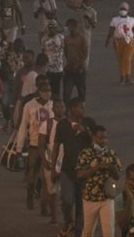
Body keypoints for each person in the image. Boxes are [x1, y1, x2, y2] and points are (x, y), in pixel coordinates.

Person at [52, 98, 96, 237]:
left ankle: (78, 230)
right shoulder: (62, 125)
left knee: (81, 205)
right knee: (67, 200)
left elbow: (97, 142)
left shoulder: (89, 123)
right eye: (81, 108)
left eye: (84, 107)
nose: (83, 110)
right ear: (72, 109)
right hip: (67, 169)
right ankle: (68, 221)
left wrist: (85, 131)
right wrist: (54, 168)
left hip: (85, 171)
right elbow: (56, 145)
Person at [75, 125, 122, 237]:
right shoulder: (86, 153)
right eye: (100, 138)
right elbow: (79, 174)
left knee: (109, 232)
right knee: (88, 231)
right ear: (94, 137)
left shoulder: (111, 154)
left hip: (107, 197)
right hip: (90, 198)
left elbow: (117, 176)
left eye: (105, 138)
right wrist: (96, 167)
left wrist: (111, 167)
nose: (103, 141)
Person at [16, 83, 53, 211]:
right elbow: (23, 126)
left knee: (46, 178)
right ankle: (30, 195)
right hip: (34, 145)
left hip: (48, 146)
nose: (47, 93)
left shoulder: (52, 106)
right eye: (44, 90)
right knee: (32, 175)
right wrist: (19, 148)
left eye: (49, 90)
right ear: (39, 91)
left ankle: (44, 205)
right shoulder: (30, 106)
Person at [38, 98, 66, 226]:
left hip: (66, 162)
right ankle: (54, 216)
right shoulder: (47, 124)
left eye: (62, 107)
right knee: (52, 191)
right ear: (53, 109)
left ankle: (65, 217)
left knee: (65, 191)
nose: (60, 109)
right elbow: (41, 144)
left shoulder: (69, 124)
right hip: (51, 160)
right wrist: (44, 160)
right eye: (58, 107)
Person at [105, 2, 134, 85]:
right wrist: (107, 40)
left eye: (124, 9)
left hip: (130, 41)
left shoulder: (131, 20)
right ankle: (122, 77)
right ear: (119, 10)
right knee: (120, 59)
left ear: (128, 10)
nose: (123, 10)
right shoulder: (115, 20)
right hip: (118, 41)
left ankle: (128, 77)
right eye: (121, 9)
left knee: (127, 58)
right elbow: (111, 30)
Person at [63, 18, 88, 109]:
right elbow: (66, 52)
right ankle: (66, 110)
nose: (67, 29)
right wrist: (70, 63)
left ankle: (81, 109)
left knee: (81, 91)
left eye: (68, 26)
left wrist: (77, 64)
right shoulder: (66, 39)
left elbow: (85, 54)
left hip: (80, 69)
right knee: (66, 92)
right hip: (70, 68)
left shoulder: (82, 38)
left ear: (74, 27)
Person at [41, 21, 65, 98]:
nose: (51, 30)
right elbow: (43, 51)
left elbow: (65, 50)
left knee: (56, 90)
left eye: (53, 28)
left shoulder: (61, 38)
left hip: (58, 68)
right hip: (48, 69)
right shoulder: (44, 39)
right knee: (48, 88)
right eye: (50, 28)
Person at [78, 0, 98, 69]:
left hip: (86, 34)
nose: (89, 3)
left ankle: (84, 67)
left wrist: (89, 19)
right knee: (78, 51)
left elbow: (94, 25)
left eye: (90, 2)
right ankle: (78, 66)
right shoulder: (80, 10)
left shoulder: (93, 12)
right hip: (78, 33)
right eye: (87, 1)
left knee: (86, 51)